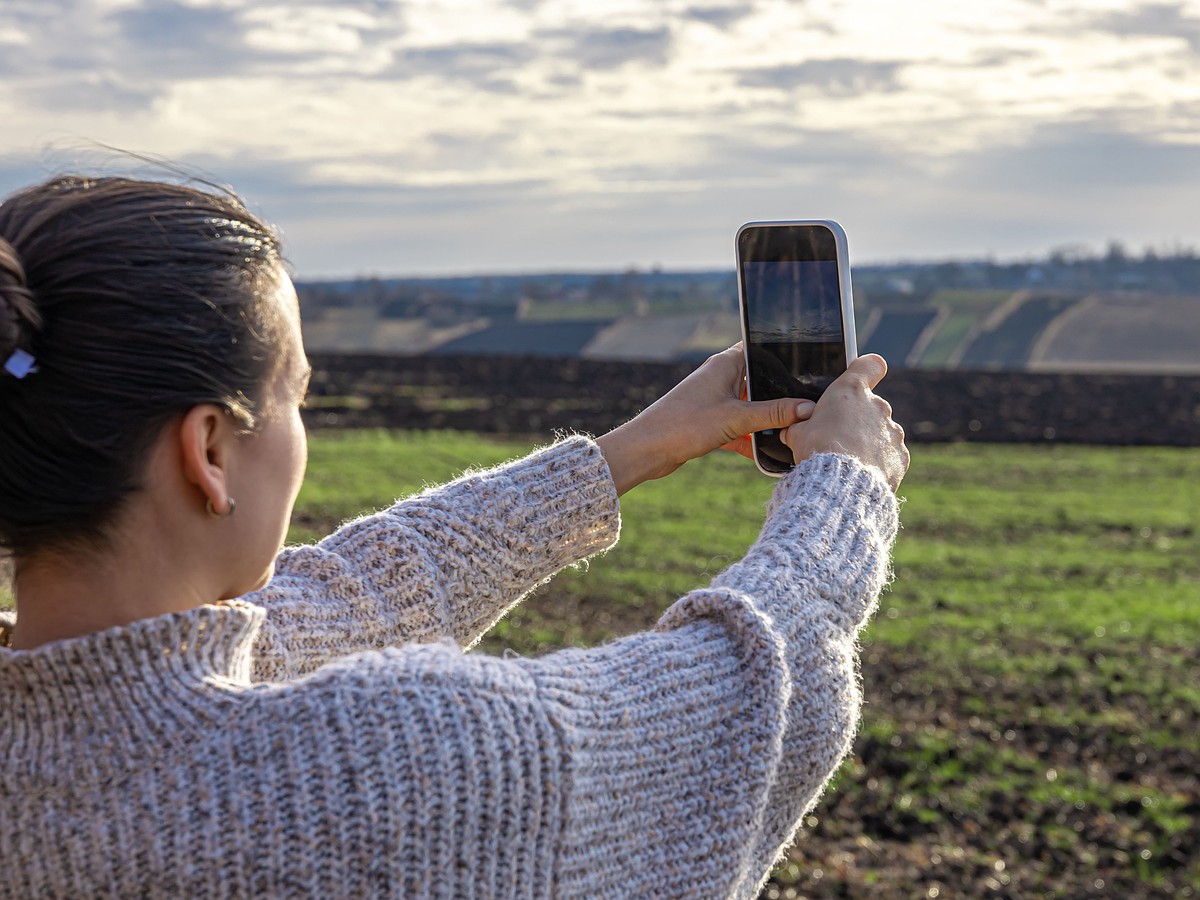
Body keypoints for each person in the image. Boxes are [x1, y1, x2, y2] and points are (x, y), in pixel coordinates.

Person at [0, 174, 908, 899]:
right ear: (208, 450)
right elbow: (749, 695)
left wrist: (626, 454)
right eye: (295, 399)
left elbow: (347, 600)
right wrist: (846, 489)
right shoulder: (391, 761)